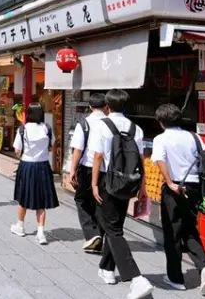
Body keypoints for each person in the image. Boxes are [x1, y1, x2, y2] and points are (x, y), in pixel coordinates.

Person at [88, 89, 153, 299]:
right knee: (114, 225)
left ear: (107, 105)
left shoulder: (102, 125)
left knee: (113, 230)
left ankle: (136, 278)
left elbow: (98, 156)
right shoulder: (136, 128)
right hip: (128, 182)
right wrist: (143, 187)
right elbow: (142, 160)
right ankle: (107, 269)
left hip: (108, 180)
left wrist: (94, 183)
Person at [152, 103, 205, 295]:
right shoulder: (194, 137)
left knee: (172, 232)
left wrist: (170, 182)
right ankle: (204, 266)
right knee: (189, 228)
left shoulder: (161, 139)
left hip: (175, 187)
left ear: (161, 121)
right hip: (195, 186)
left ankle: (175, 278)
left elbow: (160, 159)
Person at [11, 102, 59, 245]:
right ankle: (41, 233)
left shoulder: (22, 130)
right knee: (41, 200)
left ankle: (20, 226)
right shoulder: (47, 129)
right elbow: (51, 147)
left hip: (27, 165)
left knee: (23, 196)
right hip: (43, 166)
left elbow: (17, 150)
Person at [68, 92, 106, 253]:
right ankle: (99, 236)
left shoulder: (84, 124)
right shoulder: (111, 123)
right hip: (106, 170)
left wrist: (72, 170)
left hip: (87, 167)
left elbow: (78, 150)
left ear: (90, 106)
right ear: (106, 106)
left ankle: (92, 234)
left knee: (82, 199)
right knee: (100, 201)